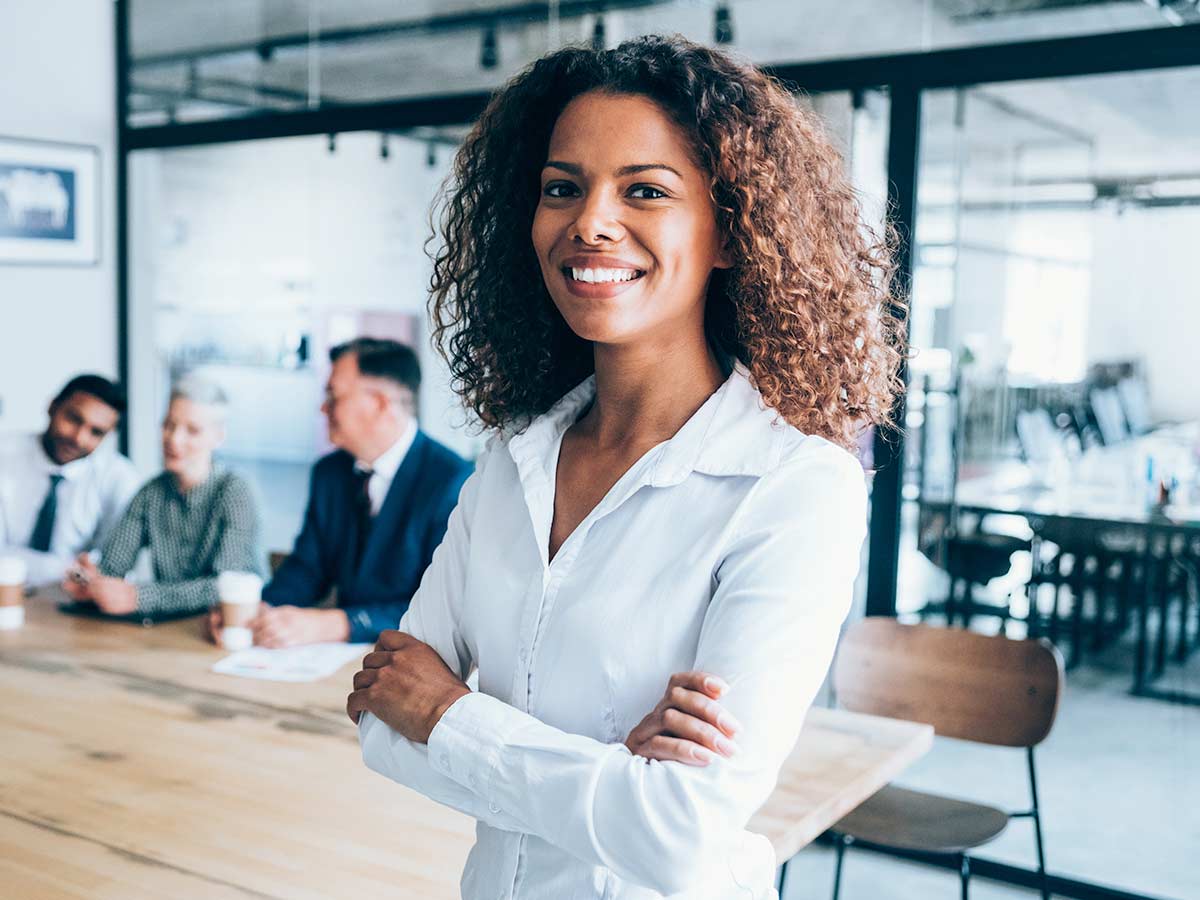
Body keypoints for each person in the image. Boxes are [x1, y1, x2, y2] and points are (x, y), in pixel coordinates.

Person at [346, 36, 904, 899]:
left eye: (644, 190)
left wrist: (448, 714)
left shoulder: (794, 488)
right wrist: (606, 780)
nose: (590, 222)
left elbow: (679, 835)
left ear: (731, 231)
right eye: (562, 188)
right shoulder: (514, 458)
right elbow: (379, 717)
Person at [212, 338, 471, 647]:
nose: (323, 408)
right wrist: (261, 611)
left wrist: (339, 624)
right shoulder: (329, 473)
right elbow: (307, 568)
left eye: (333, 396)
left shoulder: (453, 482)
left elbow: (445, 610)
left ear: (379, 404)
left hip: (413, 665)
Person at [63, 376, 264, 617]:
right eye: (169, 424)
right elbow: (112, 567)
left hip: (230, 629)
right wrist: (92, 581)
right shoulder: (150, 493)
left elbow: (224, 586)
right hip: (171, 632)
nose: (174, 439)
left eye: (192, 430)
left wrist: (139, 597)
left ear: (218, 437)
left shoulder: (235, 491)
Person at [0, 374, 140, 586]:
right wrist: (69, 569)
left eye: (96, 432)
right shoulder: (5, 454)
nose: (79, 438)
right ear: (52, 407)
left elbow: (116, 569)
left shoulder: (119, 477)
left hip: (77, 605)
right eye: (74, 419)